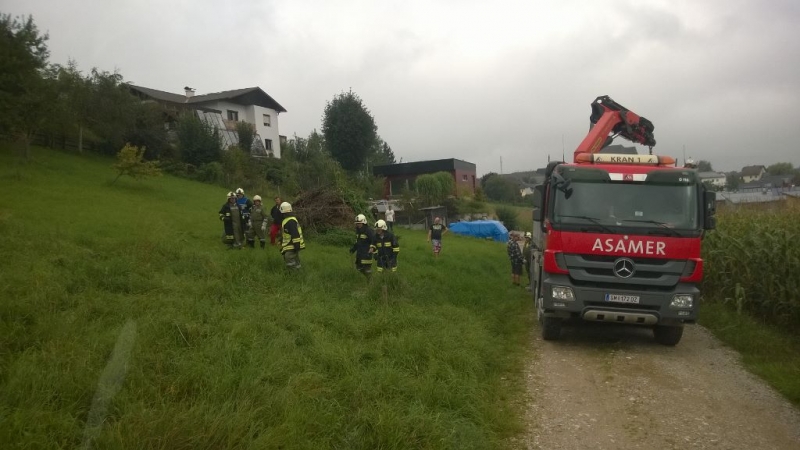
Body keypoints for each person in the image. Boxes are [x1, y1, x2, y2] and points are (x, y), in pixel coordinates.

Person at [279, 201, 305, 269]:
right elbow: (286, 233)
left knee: (288, 257)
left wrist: (296, 246)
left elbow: (295, 234)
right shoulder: (287, 220)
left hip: (293, 244)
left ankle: (292, 271)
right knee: (295, 258)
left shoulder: (290, 221)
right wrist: (281, 240)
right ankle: (297, 270)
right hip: (291, 244)